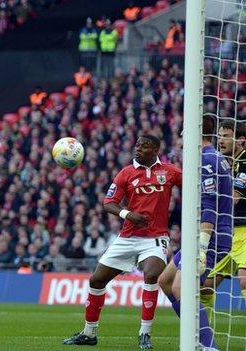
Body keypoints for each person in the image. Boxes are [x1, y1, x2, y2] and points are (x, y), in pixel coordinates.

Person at [63, 135, 182, 350]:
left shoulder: (170, 171)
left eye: (144, 146)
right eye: (137, 145)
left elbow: (192, 185)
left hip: (155, 237)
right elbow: (109, 202)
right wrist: (128, 214)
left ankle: (144, 334)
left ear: (155, 150)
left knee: (152, 274)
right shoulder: (126, 173)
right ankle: (89, 333)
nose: (138, 149)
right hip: (127, 237)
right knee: (96, 280)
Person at [158, 116, 233, 351]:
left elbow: (209, 205)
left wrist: (202, 245)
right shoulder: (210, 158)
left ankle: (207, 346)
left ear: (194, 132)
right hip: (198, 236)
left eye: (183, 131)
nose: (181, 136)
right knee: (166, 281)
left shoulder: (207, 160)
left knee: (182, 288)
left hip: (209, 237)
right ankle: (196, 336)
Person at [206, 121, 246, 317]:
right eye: (219, 135)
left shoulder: (245, 162)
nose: (221, 140)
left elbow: (234, 199)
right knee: (205, 286)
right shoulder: (229, 163)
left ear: (241, 141)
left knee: (244, 280)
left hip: (244, 231)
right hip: (229, 234)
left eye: (226, 136)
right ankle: (203, 336)